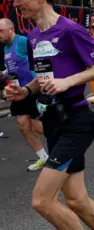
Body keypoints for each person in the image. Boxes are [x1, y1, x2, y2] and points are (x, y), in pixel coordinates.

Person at [1, 0, 94, 229]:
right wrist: (26, 91)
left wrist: (69, 81)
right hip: (53, 121)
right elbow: (39, 77)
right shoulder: (32, 37)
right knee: (76, 200)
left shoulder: (69, 29)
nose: (16, 5)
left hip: (76, 121)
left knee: (42, 201)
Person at [0, 18, 48, 171]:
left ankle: (63, 142)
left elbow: (39, 60)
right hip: (18, 91)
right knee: (22, 124)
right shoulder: (6, 48)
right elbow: (13, 67)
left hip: (33, 89)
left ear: (11, 30)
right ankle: (43, 157)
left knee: (40, 126)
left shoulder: (22, 41)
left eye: (1, 31)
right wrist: (3, 74)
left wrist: (42, 82)